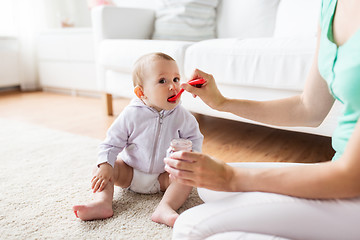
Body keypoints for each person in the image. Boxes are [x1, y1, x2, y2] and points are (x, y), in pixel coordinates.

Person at [164, 0, 360, 239]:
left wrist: (230, 177)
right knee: (208, 186)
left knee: (189, 227)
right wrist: (223, 103)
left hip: (352, 184)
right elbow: (308, 108)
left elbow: (352, 176)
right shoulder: (330, 6)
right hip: (340, 168)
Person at [72, 52, 203, 227]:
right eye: (163, 81)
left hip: (164, 176)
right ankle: (102, 202)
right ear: (142, 92)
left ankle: (165, 207)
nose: (173, 86)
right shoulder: (131, 114)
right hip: (129, 172)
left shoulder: (184, 117)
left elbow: (195, 141)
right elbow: (111, 143)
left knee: (185, 178)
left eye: (176, 79)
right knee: (102, 168)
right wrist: (105, 165)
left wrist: (190, 159)